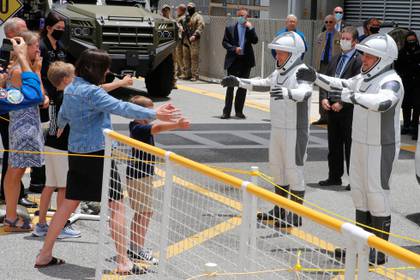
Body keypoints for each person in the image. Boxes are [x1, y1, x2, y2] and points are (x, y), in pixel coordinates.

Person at [35, 49, 182, 274]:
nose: (108, 72)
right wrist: (156, 113)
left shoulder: (72, 87)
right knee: (117, 206)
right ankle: (123, 261)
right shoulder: (92, 92)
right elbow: (121, 107)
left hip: (76, 153)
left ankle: (45, 253)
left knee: (68, 203)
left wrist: (64, 123)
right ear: (96, 69)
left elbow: (63, 114)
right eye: (105, 68)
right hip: (98, 153)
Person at [297, 33, 403, 265]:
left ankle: (379, 250)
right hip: (361, 142)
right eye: (364, 54)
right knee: (360, 195)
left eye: (369, 56)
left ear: (383, 59)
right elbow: (342, 83)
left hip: (380, 146)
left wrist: (351, 97)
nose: (363, 59)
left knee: (376, 194)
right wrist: (316, 77)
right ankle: (362, 246)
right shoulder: (365, 78)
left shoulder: (391, 80)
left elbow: (382, 102)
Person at [221, 32, 312, 228]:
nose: (277, 56)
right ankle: (279, 210)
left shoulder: (302, 71)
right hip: (278, 128)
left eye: (281, 53)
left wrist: (288, 92)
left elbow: (305, 92)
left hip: (295, 130)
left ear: (293, 54)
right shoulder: (280, 72)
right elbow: (263, 83)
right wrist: (238, 81)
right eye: (277, 52)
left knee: (294, 171)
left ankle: (295, 214)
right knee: (277, 169)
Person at [126, 95, 190, 264]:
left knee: (143, 212)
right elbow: (158, 128)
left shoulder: (139, 125)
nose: (154, 114)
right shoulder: (138, 128)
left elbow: (156, 125)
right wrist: (177, 124)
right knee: (144, 212)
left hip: (141, 175)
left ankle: (135, 247)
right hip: (139, 176)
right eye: (150, 111)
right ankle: (136, 249)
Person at [3, 31, 47, 232]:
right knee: (16, 171)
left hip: (26, 123)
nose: (38, 49)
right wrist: (34, 69)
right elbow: (37, 96)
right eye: (35, 46)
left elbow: (41, 95)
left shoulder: (23, 68)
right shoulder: (19, 70)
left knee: (16, 171)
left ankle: (11, 214)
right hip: (24, 125)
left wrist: (36, 69)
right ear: (24, 47)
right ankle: (11, 217)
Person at [32, 61, 81, 239]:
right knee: (64, 187)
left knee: (49, 185)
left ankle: (42, 224)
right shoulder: (67, 96)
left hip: (50, 143)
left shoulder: (54, 94)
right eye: (74, 76)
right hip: (61, 147)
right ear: (66, 79)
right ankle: (60, 226)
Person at [0, 17, 38, 208]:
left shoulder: (21, 64)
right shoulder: (12, 63)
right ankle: (11, 209)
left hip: (17, 115)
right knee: (14, 166)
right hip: (16, 119)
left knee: (15, 166)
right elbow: (35, 95)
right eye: (21, 31)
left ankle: (12, 206)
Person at [318, 26, 362, 190]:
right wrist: (323, 98)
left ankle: (354, 180)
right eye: (341, 38)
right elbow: (325, 81)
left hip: (348, 110)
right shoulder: (335, 59)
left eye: (347, 39)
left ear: (355, 42)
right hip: (331, 108)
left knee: (350, 146)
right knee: (333, 145)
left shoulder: (359, 61)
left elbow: (356, 86)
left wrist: (342, 103)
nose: (343, 41)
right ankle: (334, 176)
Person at [30, 11, 68, 196]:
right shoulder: (42, 47)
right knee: (43, 138)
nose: (61, 31)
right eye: (58, 28)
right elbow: (38, 72)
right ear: (48, 28)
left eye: (63, 28)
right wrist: (44, 94)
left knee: (53, 138)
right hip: (45, 99)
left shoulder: (60, 46)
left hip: (58, 98)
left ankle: (50, 179)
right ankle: (38, 181)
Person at [221, 7, 258, 119]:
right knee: (230, 86)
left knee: (242, 87)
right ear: (237, 17)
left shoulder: (249, 29)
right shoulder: (230, 28)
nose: (242, 18)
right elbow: (225, 43)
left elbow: (255, 41)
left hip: (246, 62)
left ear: (247, 18)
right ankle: (226, 112)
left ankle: (239, 111)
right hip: (233, 61)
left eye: (245, 16)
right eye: (240, 16)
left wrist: (251, 28)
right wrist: (234, 48)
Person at [313, 14, 342, 125]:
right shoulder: (320, 36)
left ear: (335, 23)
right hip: (323, 65)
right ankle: (323, 116)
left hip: (334, 65)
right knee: (322, 90)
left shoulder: (340, 36)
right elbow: (317, 51)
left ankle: (332, 117)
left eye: (331, 22)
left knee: (333, 89)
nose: (328, 24)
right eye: (326, 22)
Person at [395, 31, 420, 140]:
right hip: (406, 82)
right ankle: (406, 125)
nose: (411, 42)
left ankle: (414, 126)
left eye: (413, 40)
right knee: (406, 104)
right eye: (409, 41)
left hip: (418, 83)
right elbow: (398, 67)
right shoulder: (402, 52)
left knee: (417, 105)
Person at [181, 2, 205, 81]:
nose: (189, 9)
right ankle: (186, 74)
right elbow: (180, 23)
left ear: (194, 8)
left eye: (191, 7)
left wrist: (195, 35)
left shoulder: (198, 17)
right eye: (188, 7)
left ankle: (195, 75)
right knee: (186, 58)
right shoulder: (186, 17)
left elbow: (201, 26)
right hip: (185, 40)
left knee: (194, 58)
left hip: (194, 40)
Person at [175, 4, 187, 80]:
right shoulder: (179, 18)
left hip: (180, 40)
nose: (177, 11)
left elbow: (183, 30)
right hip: (178, 40)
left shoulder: (182, 18)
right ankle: (179, 72)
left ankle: (184, 73)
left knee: (180, 56)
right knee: (178, 56)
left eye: (178, 9)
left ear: (181, 10)